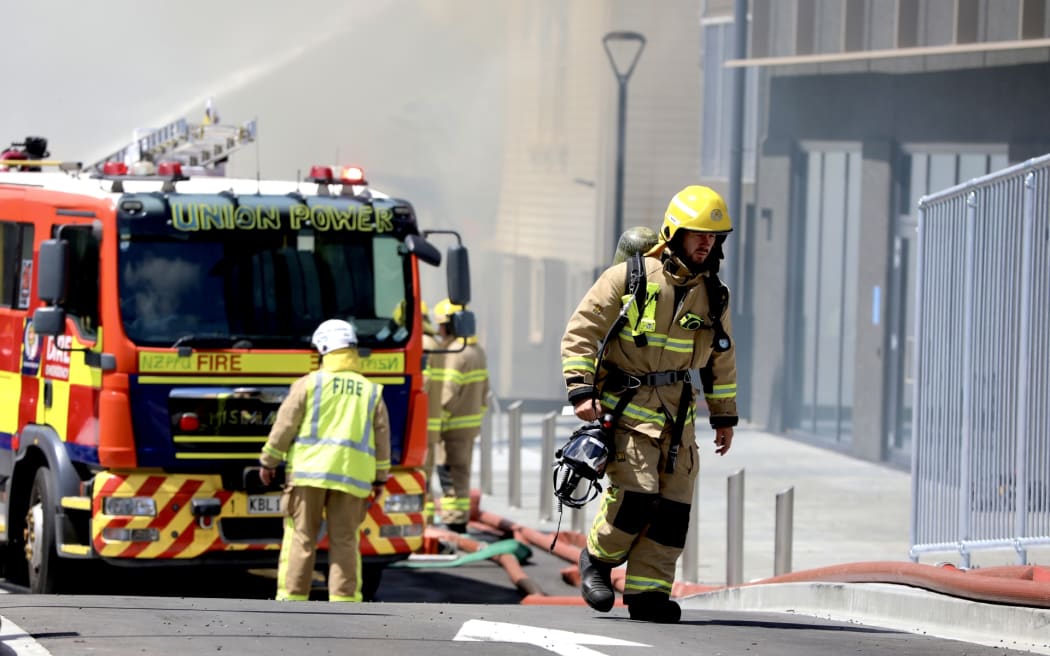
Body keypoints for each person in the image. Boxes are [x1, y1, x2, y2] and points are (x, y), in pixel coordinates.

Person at [560, 185, 738, 623]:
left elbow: (721, 358)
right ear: (674, 232)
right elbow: (581, 331)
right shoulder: (630, 278)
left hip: (679, 419)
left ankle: (648, 594)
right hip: (627, 410)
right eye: (697, 234)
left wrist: (724, 417)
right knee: (637, 497)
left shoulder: (714, 294)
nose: (705, 243)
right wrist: (581, 391)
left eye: (713, 237)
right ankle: (598, 560)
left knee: (673, 510)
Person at [259, 319, 391, 602]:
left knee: (301, 537)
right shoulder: (370, 392)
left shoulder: (309, 384)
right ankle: (344, 602)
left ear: (324, 349)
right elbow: (382, 441)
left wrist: (269, 462)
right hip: (351, 479)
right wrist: (380, 479)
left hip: (308, 475)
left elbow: (284, 426)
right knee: (345, 541)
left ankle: (293, 599)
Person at [428, 298, 490, 533]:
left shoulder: (454, 353)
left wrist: (436, 422)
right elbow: (485, 390)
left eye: (442, 325)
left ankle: (453, 522)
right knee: (461, 474)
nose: (439, 330)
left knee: (449, 474)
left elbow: (447, 392)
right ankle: (459, 520)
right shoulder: (477, 351)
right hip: (468, 427)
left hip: (451, 427)